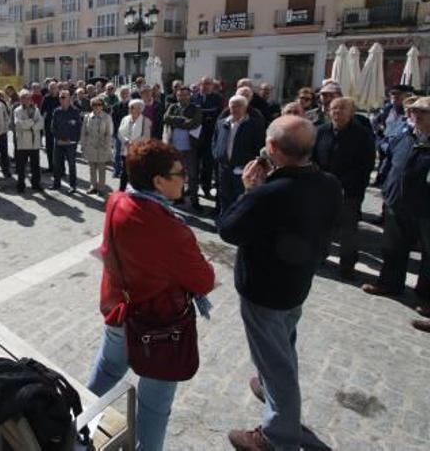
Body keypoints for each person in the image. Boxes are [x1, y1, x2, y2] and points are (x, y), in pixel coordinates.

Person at [220, 115, 341, 451]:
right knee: (282, 348)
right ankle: (275, 393)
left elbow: (228, 228)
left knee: (278, 365)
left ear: (272, 147)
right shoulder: (328, 182)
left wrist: (249, 192)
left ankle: (277, 436)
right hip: (296, 283)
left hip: (265, 291)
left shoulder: (269, 194)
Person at [87, 139, 215, 451]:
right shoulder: (170, 229)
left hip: (119, 310)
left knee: (107, 370)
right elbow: (204, 280)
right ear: (158, 181)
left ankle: (70, 418)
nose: (185, 178)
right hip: (157, 326)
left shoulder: (118, 200)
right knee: (154, 408)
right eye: (179, 173)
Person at [362, 97, 430, 334]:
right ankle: (389, 284)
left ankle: (425, 297)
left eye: (423, 112)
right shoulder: (405, 135)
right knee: (393, 247)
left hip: (426, 209)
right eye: (414, 111)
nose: (417, 115)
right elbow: (389, 157)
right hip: (397, 202)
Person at [312, 97, 375, 279]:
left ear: (351, 112)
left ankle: (347, 265)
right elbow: (314, 159)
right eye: (334, 109)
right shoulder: (321, 131)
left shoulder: (362, 135)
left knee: (348, 231)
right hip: (323, 190)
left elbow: (365, 166)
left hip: (349, 192)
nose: (337, 112)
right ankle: (319, 257)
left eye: (342, 109)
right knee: (322, 226)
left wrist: (344, 186)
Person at [212, 95, 266, 215]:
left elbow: (259, 145)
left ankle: (239, 223)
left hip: (243, 168)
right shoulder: (222, 123)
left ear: (245, 107)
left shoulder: (254, 124)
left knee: (241, 198)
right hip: (224, 167)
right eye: (232, 106)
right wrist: (217, 154)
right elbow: (215, 140)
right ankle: (224, 221)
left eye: (238, 106)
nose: (234, 109)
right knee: (224, 196)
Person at [163, 86, 203, 211]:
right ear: (177, 96)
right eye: (180, 95)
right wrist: (182, 120)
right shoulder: (173, 107)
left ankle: (194, 200)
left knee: (192, 176)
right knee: (177, 174)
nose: (182, 97)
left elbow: (194, 123)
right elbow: (166, 118)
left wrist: (176, 122)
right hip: (175, 148)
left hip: (189, 148)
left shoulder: (195, 108)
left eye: (185, 95)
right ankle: (178, 197)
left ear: (189, 96)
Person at [372, 84, 413, 186]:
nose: (394, 97)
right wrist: (379, 135)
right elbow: (376, 122)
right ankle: (380, 181)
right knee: (383, 164)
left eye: (398, 94)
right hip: (385, 143)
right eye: (392, 94)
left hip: (400, 145)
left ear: (407, 96)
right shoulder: (387, 109)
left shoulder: (410, 111)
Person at [193, 77, 224, 199]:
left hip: (210, 136)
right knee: (193, 165)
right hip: (194, 137)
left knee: (207, 164)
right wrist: (206, 113)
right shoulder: (194, 97)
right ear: (200, 84)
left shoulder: (218, 98)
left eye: (208, 84)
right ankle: (193, 189)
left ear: (212, 85)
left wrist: (202, 114)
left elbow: (218, 115)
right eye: (204, 83)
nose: (206, 86)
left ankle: (206, 189)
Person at [51, 89, 82, 193]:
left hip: (71, 143)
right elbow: (53, 127)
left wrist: (75, 141)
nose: (61, 99)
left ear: (69, 99)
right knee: (57, 164)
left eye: (63, 97)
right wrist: (59, 138)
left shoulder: (75, 111)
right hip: (59, 142)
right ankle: (56, 183)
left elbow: (78, 128)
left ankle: (73, 186)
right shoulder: (56, 111)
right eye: (60, 97)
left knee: (71, 165)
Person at [81, 96, 114, 195]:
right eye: (94, 105)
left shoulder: (107, 117)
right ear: (92, 106)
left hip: (102, 145)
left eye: (99, 104)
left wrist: (107, 146)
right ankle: (93, 186)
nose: (97, 107)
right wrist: (83, 145)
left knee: (101, 168)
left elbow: (109, 133)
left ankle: (101, 188)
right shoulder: (87, 117)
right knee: (92, 168)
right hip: (90, 145)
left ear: (102, 106)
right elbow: (83, 132)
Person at [12, 89, 44, 193]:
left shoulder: (36, 109)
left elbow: (41, 123)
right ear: (20, 99)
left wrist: (31, 126)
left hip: (34, 143)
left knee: (35, 165)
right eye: (23, 98)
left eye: (28, 98)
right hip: (23, 143)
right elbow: (19, 124)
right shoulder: (17, 110)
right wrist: (32, 123)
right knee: (21, 166)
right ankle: (20, 185)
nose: (26, 100)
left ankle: (36, 184)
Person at [118, 99, 153, 191]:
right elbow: (120, 132)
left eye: (132, 107)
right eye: (130, 107)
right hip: (126, 150)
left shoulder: (146, 121)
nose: (130, 109)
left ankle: (135, 191)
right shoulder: (125, 119)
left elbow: (146, 137)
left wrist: (132, 143)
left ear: (139, 109)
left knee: (135, 172)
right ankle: (122, 191)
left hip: (137, 150)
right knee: (124, 172)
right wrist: (125, 141)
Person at [41, 82, 61, 172]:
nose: (53, 89)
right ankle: (50, 166)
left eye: (55, 88)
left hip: (59, 125)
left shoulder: (61, 97)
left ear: (57, 88)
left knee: (59, 147)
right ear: (49, 89)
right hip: (49, 124)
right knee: (49, 147)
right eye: (51, 88)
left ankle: (60, 168)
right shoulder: (46, 98)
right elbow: (43, 112)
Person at [111, 87, 130, 178]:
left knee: (128, 154)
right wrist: (115, 132)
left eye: (126, 93)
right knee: (117, 153)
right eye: (122, 93)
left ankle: (127, 172)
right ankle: (116, 171)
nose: (124, 95)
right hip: (118, 133)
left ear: (129, 94)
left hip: (130, 134)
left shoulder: (132, 106)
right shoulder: (115, 106)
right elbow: (113, 120)